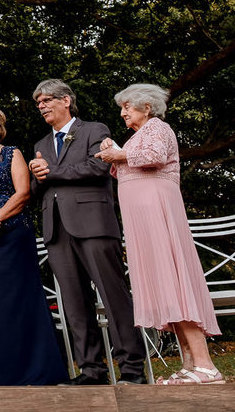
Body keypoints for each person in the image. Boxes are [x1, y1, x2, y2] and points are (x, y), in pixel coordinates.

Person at [96, 84, 223, 385]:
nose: (123, 112)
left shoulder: (157, 128)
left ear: (147, 108)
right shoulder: (136, 137)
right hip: (143, 219)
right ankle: (192, 364)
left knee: (174, 284)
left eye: (127, 106)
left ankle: (206, 366)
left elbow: (153, 156)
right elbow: (129, 165)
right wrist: (114, 153)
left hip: (158, 213)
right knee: (165, 288)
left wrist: (119, 153)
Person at [28, 79, 146, 384]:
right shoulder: (41, 146)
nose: (41, 106)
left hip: (93, 224)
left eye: (47, 100)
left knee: (113, 296)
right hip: (57, 231)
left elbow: (99, 168)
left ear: (66, 100)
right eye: (38, 102)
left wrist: (51, 172)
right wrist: (36, 175)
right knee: (74, 303)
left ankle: (132, 368)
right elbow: (35, 190)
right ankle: (92, 369)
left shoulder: (95, 130)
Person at [0, 100, 67, 386]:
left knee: (21, 299)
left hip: (14, 237)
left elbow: (23, 194)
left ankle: (35, 369)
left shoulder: (12, 154)